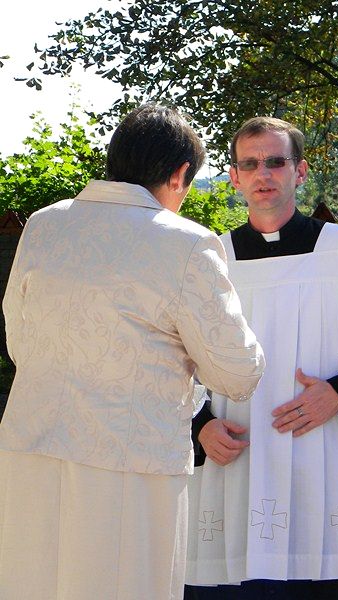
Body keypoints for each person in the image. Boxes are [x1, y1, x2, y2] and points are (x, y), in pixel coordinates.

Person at [0, 104, 265, 600]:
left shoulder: (44, 224)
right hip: (130, 464)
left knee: (32, 585)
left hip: (31, 447)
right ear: (180, 174)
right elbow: (237, 372)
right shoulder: (187, 243)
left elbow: (19, 336)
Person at [184, 116, 338, 599]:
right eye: (250, 164)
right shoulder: (209, 260)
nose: (263, 174)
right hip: (234, 465)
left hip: (326, 460)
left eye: (276, 162)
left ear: (299, 172)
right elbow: (173, 359)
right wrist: (200, 425)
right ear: (233, 177)